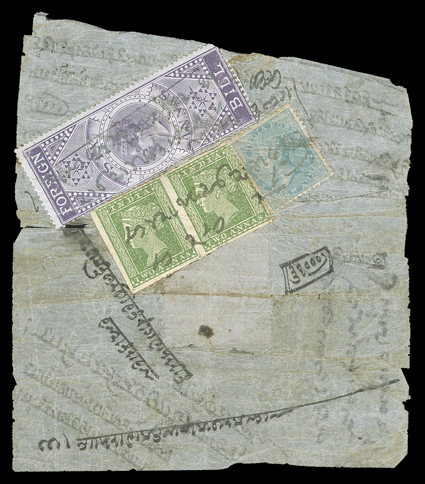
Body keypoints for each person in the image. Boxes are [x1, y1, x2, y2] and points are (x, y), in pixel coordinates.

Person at [121, 202, 168, 268]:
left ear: (146, 229)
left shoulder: (161, 253)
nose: (126, 238)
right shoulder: (151, 257)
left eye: (130, 230)